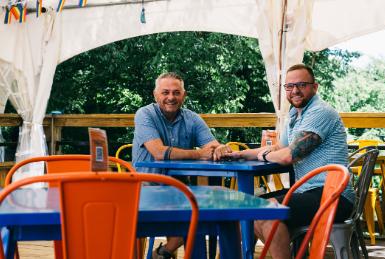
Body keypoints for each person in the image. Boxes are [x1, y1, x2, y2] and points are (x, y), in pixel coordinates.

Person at [223, 64, 355, 259]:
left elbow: (288, 155)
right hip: (308, 191)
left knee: (264, 212)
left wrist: (263, 156)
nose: (295, 91)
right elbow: (278, 147)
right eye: (289, 86)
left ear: (315, 87)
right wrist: (242, 154)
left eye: (301, 85)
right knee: (252, 206)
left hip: (333, 195)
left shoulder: (319, 112)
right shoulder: (295, 114)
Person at [132, 72, 231, 259]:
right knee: (197, 213)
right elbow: (159, 153)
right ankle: (166, 251)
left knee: (209, 207)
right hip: (146, 186)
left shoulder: (192, 118)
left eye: (176, 93)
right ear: (155, 94)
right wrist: (200, 154)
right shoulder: (144, 114)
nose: (171, 97)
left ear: (184, 95)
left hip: (180, 188)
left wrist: (220, 148)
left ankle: (165, 252)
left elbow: (211, 144)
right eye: (165, 92)